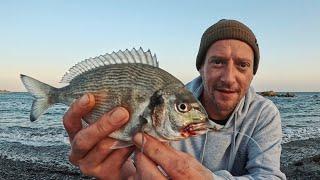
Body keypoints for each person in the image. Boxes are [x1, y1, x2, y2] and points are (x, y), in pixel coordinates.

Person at [62, 19, 286, 179]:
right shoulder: (171, 99)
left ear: (252, 73)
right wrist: (123, 174)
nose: (229, 78)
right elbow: (135, 166)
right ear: (201, 67)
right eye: (218, 62)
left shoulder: (264, 114)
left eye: (242, 65)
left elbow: (269, 176)